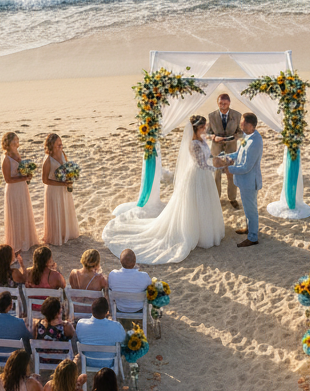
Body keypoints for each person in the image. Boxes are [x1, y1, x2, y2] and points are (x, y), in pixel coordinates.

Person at [102, 116, 226, 263]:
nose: (204, 129)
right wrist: (219, 167)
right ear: (195, 128)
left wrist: (217, 157)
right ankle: (196, 232)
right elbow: (201, 164)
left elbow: (208, 156)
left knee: (205, 203)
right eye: (202, 127)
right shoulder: (193, 144)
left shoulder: (202, 139)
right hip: (197, 176)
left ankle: (206, 230)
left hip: (205, 176)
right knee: (195, 203)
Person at [221, 112, 263, 247]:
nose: (240, 125)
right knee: (247, 207)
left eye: (243, 123)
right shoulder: (246, 136)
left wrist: (229, 169)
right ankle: (249, 228)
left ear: (250, 125)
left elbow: (246, 167)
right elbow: (238, 153)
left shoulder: (255, 142)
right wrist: (227, 157)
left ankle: (253, 237)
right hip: (243, 181)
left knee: (251, 210)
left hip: (250, 182)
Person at [1, 131, 39, 255]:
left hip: (22, 187)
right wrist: (24, 178)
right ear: (8, 143)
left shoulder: (17, 153)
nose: (17, 142)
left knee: (24, 210)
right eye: (14, 140)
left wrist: (27, 173)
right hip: (13, 189)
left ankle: (26, 239)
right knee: (16, 213)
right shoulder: (6, 158)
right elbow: (7, 179)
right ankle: (18, 241)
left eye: (17, 140)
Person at [41, 132, 80, 246]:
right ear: (51, 145)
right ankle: (56, 235)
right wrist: (61, 183)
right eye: (58, 144)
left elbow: (66, 167)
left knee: (65, 209)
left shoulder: (62, 153)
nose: (60, 146)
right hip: (53, 190)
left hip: (63, 188)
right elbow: (44, 180)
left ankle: (65, 232)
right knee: (56, 211)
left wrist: (70, 177)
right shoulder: (48, 160)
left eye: (61, 143)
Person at [207, 92, 244, 208]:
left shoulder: (237, 115)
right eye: (220, 103)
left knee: (231, 174)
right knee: (216, 175)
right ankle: (216, 198)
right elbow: (208, 132)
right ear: (217, 103)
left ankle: (232, 198)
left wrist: (235, 137)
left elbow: (240, 132)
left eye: (225, 103)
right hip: (216, 150)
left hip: (231, 149)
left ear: (229, 103)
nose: (222, 105)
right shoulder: (211, 116)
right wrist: (213, 137)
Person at [74, 296, 128, 366]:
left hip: (87, 362)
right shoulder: (116, 326)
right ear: (107, 312)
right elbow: (124, 341)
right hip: (109, 362)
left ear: (92, 310)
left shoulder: (80, 324)